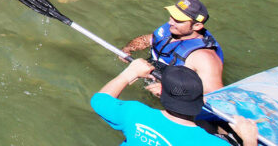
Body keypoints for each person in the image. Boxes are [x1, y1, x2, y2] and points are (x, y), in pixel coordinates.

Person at [91, 60, 258, 146]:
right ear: (201, 100)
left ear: (160, 92)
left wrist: (130, 73)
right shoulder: (212, 143)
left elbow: (99, 100)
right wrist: (250, 140)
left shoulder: (134, 113)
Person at [121, 0, 225, 95]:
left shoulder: (204, 57)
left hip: (174, 100)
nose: (170, 22)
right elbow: (147, 39)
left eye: (178, 20)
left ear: (197, 26)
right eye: (172, 16)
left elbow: (212, 95)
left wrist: (170, 91)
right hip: (154, 75)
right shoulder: (173, 29)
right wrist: (129, 48)